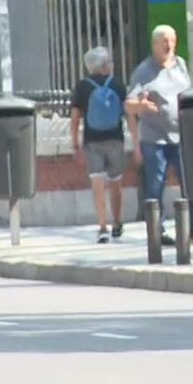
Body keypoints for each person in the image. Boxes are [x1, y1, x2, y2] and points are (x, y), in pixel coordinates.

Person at [125, 25, 193, 247]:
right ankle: (157, 230)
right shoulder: (144, 71)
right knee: (155, 185)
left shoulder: (181, 64)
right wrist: (141, 106)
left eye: (172, 40)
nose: (169, 45)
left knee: (189, 182)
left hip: (181, 135)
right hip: (154, 137)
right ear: (154, 44)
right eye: (164, 41)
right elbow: (129, 104)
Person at [69, 46, 128, 244]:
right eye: (109, 61)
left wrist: (74, 141)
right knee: (115, 182)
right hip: (115, 138)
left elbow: (75, 117)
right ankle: (117, 222)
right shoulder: (117, 83)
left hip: (92, 141)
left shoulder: (82, 86)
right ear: (104, 65)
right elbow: (127, 111)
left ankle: (102, 228)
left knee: (97, 184)